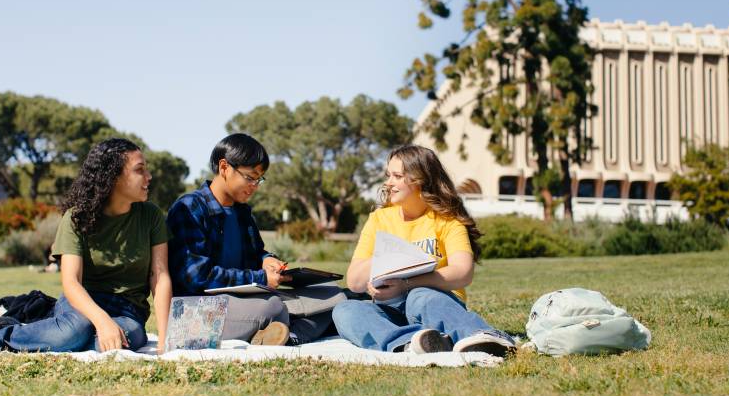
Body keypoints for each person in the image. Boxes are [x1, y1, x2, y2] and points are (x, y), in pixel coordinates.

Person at [0, 138, 173, 358]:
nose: (149, 177)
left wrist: (165, 338)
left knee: (122, 340)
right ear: (113, 177)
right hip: (82, 303)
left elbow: (159, 277)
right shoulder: (77, 218)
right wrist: (103, 321)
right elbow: (71, 282)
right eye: (139, 170)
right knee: (76, 331)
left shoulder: (151, 216)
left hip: (127, 311)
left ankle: (34, 330)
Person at [332, 144, 516, 356]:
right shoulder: (379, 219)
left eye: (397, 176)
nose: (388, 182)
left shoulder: (447, 219)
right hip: (388, 309)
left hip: (433, 301)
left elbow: (463, 272)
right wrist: (384, 260)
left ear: (420, 180)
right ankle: (412, 344)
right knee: (346, 311)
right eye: (388, 175)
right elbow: (354, 282)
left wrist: (407, 285)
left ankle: (483, 336)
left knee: (419, 296)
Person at [167, 133, 341, 345]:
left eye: (259, 179)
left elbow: (256, 252)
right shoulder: (189, 208)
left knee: (333, 295)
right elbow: (196, 276)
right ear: (224, 168)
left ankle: (287, 336)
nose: (255, 186)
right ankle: (289, 330)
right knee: (271, 306)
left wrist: (267, 260)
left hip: (245, 301)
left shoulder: (243, 213)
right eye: (250, 177)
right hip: (196, 311)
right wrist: (260, 278)